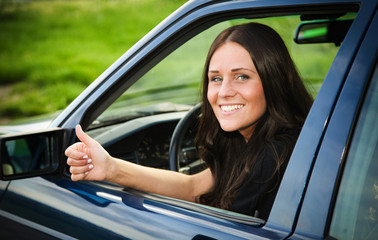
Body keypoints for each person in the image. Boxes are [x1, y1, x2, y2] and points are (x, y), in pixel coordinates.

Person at [65, 22, 313, 220]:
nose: (224, 92)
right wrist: (110, 167)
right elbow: (194, 187)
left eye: (241, 77)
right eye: (216, 79)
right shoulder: (252, 140)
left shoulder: (276, 154)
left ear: (273, 80)